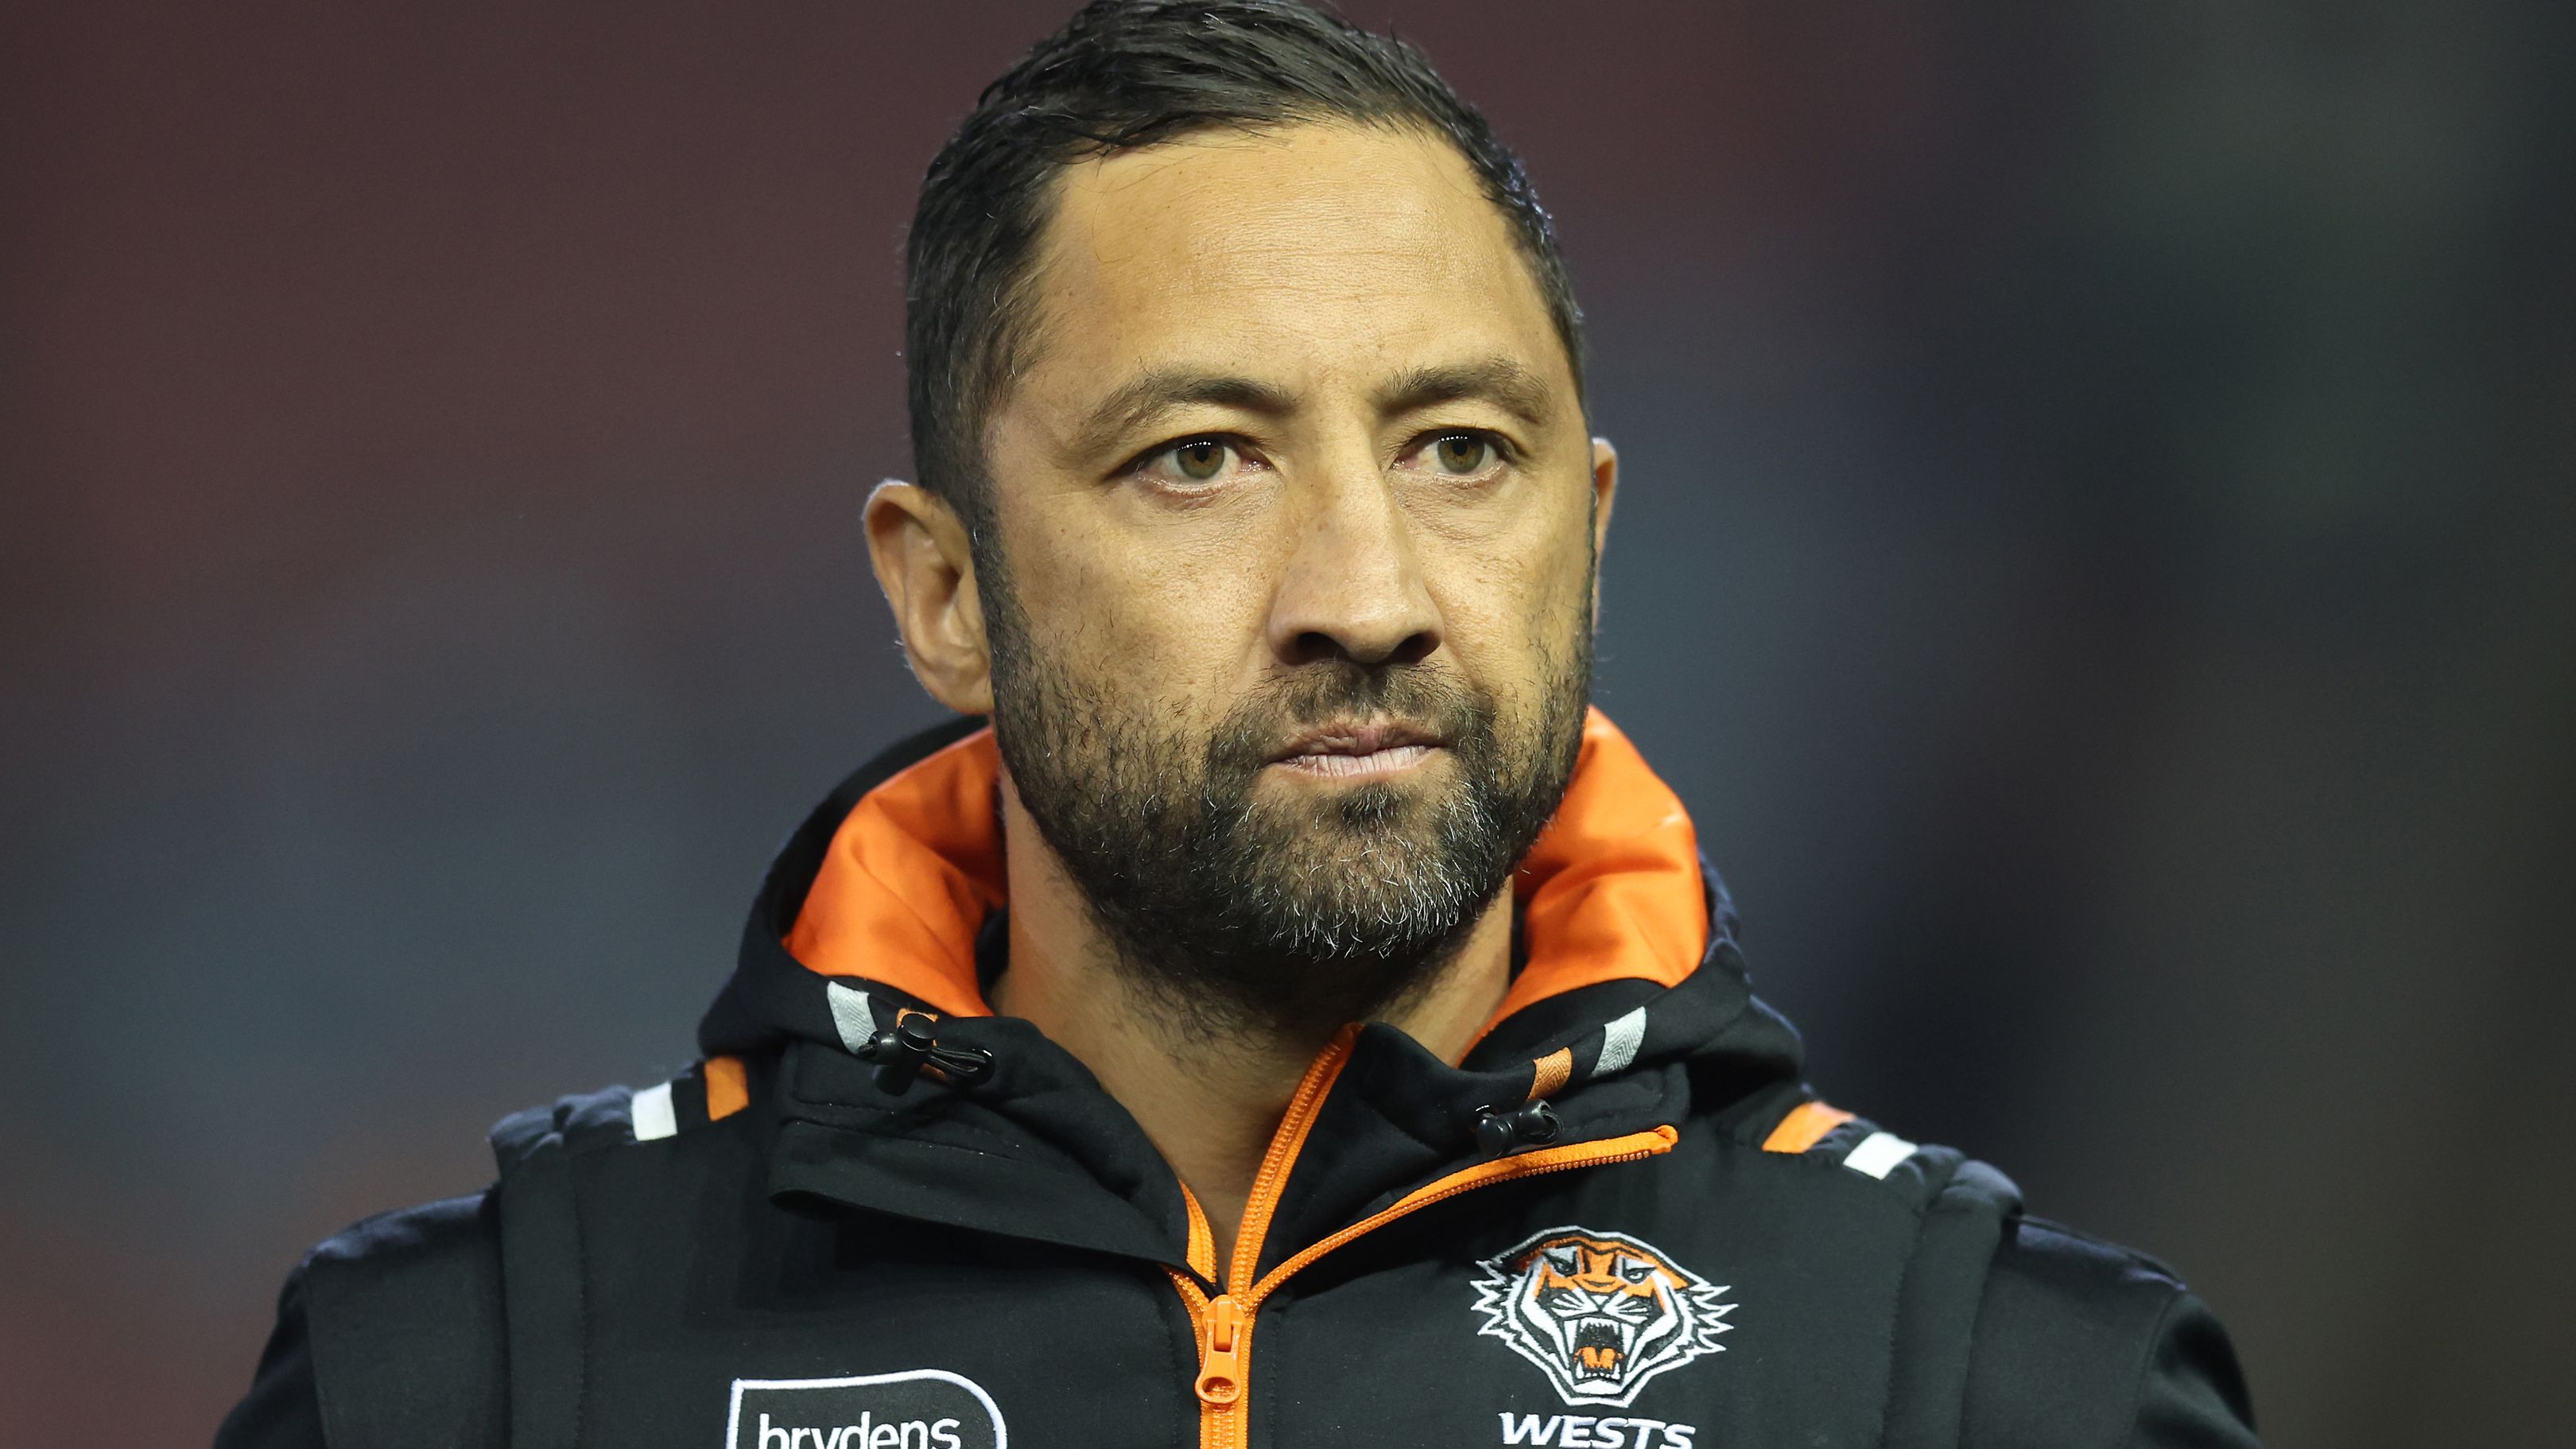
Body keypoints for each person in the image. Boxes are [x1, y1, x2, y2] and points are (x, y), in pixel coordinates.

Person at [216, 2, 2260, 1445]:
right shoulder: (466, 1381)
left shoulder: (2008, 1389)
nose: (1365, 595)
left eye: (1464, 450)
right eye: (1200, 459)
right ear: (944, 591)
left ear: (1596, 529)